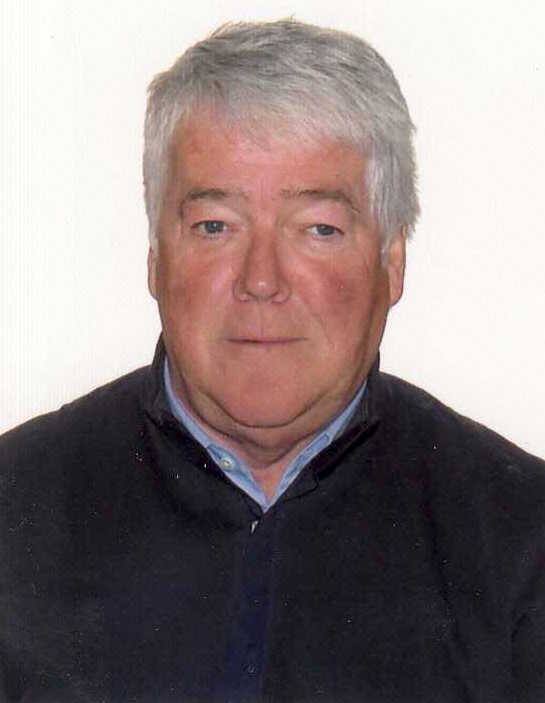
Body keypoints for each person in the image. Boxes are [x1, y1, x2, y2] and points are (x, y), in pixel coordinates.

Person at [1, 18, 544, 703]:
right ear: (155, 256)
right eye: (215, 226)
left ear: (391, 262)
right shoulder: (14, 511)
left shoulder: (521, 543)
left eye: (317, 229)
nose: (261, 280)